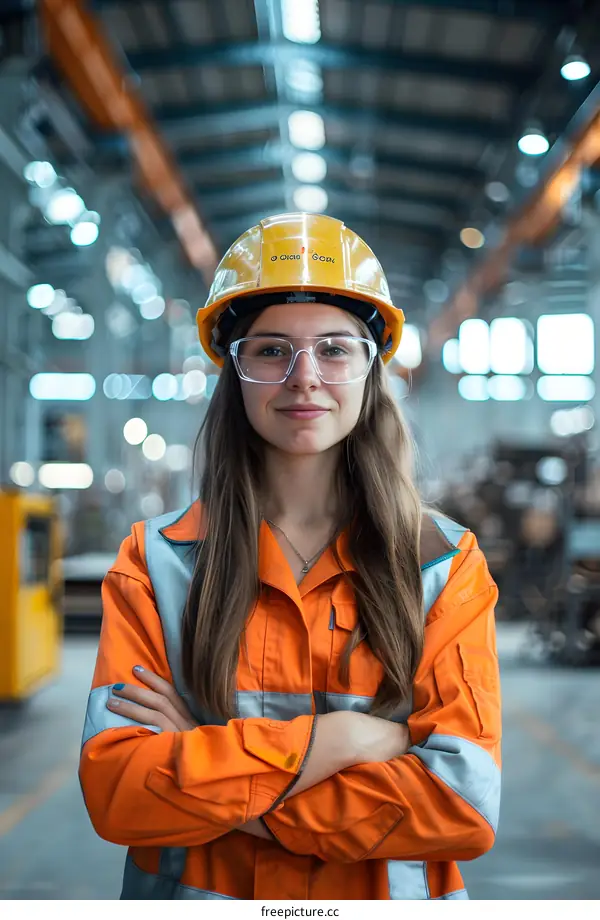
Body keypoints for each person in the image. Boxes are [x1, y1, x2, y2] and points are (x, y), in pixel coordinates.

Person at [80, 213, 502, 901]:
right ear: (235, 372)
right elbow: (120, 792)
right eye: (272, 351)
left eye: (335, 349)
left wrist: (207, 760)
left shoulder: (442, 565)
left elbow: (463, 803)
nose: (305, 378)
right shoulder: (158, 563)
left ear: (370, 369)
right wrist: (341, 739)